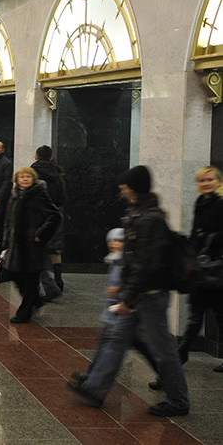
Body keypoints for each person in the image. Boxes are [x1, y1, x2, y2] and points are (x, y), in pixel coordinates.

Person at [67, 165, 189, 417]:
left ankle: (178, 400)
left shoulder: (151, 219)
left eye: (125, 186)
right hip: (137, 292)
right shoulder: (139, 212)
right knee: (115, 339)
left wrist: (128, 298)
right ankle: (95, 389)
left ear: (134, 188)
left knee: (163, 350)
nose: (122, 190)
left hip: (150, 295)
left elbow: (146, 264)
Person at [69, 228, 160, 389]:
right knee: (117, 343)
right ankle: (91, 374)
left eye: (118, 240)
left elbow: (133, 284)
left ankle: (93, 379)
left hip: (124, 311)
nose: (114, 244)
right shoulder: (116, 260)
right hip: (117, 311)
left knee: (114, 345)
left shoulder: (127, 262)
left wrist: (119, 292)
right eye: (111, 240)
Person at [178, 165, 223, 371]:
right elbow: (195, 232)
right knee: (198, 315)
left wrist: (207, 238)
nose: (206, 183)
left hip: (215, 268)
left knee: (213, 315)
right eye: (202, 180)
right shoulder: (199, 202)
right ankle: (180, 356)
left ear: (218, 182)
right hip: (202, 268)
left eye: (210, 179)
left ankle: (179, 357)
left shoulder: (220, 204)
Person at [1, 166, 60, 323]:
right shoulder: (15, 194)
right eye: (22, 177)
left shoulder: (39, 194)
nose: (25, 179)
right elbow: (8, 219)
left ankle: (24, 313)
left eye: (28, 176)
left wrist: (41, 234)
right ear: (17, 180)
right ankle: (36, 300)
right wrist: (6, 239)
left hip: (33, 246)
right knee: (12, 274)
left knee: (31, 280)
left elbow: (55, 216)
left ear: (33, 178)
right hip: (16, 245)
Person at [31, 145, 67, 299]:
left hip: (38, 214)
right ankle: (58, 280)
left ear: (36, 156)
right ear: (51, 158)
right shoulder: (58, 174)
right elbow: (62, 198)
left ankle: (41, 283)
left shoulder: (32, 172)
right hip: (55, 214)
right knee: (55, 248)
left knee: (36, 249)